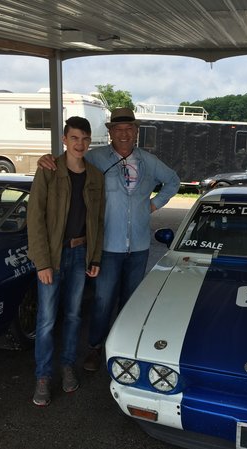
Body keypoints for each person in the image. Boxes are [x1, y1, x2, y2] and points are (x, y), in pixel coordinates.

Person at [37, 107, 180, 372]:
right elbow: (69, 163)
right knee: (103, 301)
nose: (124, 134)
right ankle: (95, 347)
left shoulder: (149, 161)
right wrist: (46, 160)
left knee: (131, 300)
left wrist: (153, 204)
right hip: (107, 245)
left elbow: (173, 180)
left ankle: (125, 348)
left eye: (129, 129)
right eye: (118, 129)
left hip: (138, 245)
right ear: (111, 132)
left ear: (136, 132)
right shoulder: (96, 158)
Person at [27, 116, 105, 406]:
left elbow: (98, 220)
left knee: (73, 316)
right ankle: (43, 377)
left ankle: (67, 366)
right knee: (46, 320)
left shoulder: (96, 176)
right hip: (53, 257)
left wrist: (94, 255)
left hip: (80, 254)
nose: (80, 144)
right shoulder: (49, 171)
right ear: (64, 139)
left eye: (85, 138)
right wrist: (42, 262)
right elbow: (34, 218)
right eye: (74, 138)